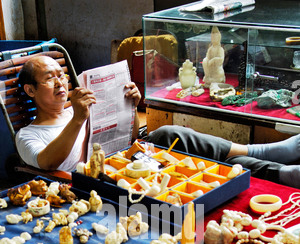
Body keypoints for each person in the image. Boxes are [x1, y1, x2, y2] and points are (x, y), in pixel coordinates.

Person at [16, 55, 300, 189]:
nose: (60, 82)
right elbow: (49, 163)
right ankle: (271, 163)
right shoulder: (28, 135)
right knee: (178, 144)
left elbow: (123, 136)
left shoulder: (77, 108)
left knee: (179, 143)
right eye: (49, 78)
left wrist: (129, 105)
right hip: (99, 180)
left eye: (61, 75)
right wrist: (78, 119)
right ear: (31, 90)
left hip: (131, 158)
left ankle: (275, 166)